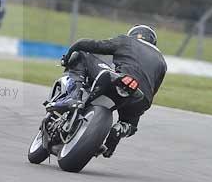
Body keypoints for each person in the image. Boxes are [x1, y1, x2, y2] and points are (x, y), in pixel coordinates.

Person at [60, 25, 167, 158]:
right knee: (130, 123)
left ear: (133, 34)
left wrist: (69, 55)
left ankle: (75, 96)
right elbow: (153, 89)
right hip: (141, 97)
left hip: (120, 79)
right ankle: (119, 131)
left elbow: (92, 45)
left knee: (82, 53)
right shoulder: (162, 61)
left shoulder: (126, 41)